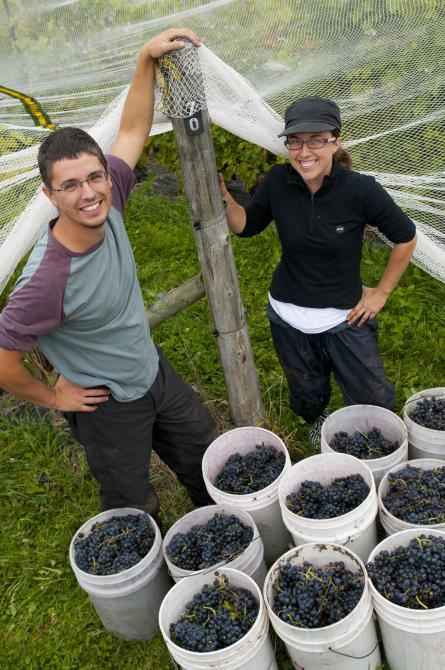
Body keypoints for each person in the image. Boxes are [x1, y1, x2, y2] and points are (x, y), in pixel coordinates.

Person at [0, 28, 217, 516]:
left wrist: (144, 60)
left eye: (94, 176)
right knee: (131, 503)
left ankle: (223, 532)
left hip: (150, 368)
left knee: (206, 458)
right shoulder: (48, 281)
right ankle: (143, 583)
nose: (89, 193)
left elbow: (134, 131)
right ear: (49, 197)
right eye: (70, 185)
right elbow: (3, 362)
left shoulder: (110, 197)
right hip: (107, 403)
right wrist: (55, 396)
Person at [219, 95, 417, 445]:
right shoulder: (279, 181)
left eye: (315, 140)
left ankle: (372, 438)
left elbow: (406, 237)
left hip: (346, 314)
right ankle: (315, 419)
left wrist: (382, 291)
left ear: (335, 141)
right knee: (306, 389)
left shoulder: (360, 190)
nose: (304, 151)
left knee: (372, 394)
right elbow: (247, 225)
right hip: (287, 312)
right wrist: (224, 198)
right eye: (295, 141)